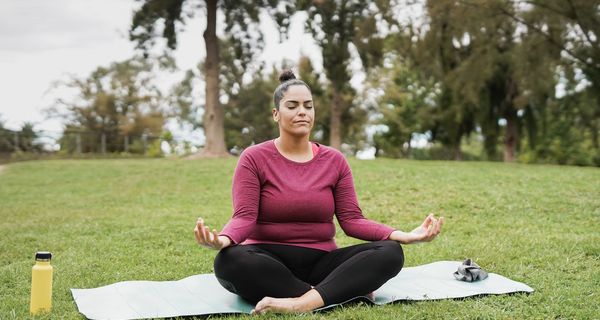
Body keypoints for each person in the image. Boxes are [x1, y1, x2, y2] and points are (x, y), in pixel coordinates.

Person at [194, 70, 444, 315]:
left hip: (323, 262)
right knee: (229, 261)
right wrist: (223, 240)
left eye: (308, 106)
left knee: (390, 252)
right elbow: (245, 217)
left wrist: (404, 236)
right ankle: (336, 292)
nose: (302, 111)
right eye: (292, 106)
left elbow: (352, 220)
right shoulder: (254, 158)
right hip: (268, 260)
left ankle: (302, 302)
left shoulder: (334, 160)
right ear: (276, 114)